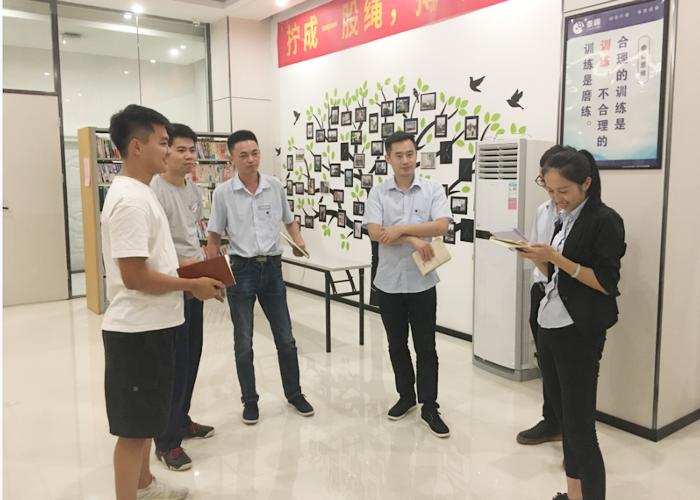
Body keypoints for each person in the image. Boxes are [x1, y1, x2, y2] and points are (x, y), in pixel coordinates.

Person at [101, 105, 224, 500]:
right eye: (164, 142)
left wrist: (200, 274)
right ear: (137, 146)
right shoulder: (131, 201)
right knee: (132, 431)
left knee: (144, 422)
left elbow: (158, 261)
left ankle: (145, 486)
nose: (170, 151)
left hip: (154, 324)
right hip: (136, 329)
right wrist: (191, 286)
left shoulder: (143, 192)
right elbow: (134, 275)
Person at [517, 146, 626, 500]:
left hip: (579, 331)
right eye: (550, 190)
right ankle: (573, 495)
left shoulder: (604, 220)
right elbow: (555, 277)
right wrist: (537, 258)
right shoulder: (562, 218)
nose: (556, 199)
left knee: (581, 431)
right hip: (550, 324)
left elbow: (606, 282)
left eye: (563, 190)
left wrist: (555, 258)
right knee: (565, 422)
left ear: (586, 184)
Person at [206, 130, 314, 425]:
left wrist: (298, 240)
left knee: (286, 339)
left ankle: (294, 394)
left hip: (273, 270)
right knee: (244, 341)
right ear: (231, 159)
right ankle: (250, 401)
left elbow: (290, 221)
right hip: (241, 270)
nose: (251, 159)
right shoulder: (223, 193)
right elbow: (213, 237)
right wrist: (214, 275)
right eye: (243, 155)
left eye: (254, 153)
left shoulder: (274, 185)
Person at [363, 131, 453, 438]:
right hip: (388, 283)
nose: (405, 160)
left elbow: (441, 225)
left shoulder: (432, 189)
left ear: (417, 156)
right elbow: (375, 232)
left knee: (426, 347)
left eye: (410, 154)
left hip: (422, 282)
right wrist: (415, 237)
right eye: (399, 155)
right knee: (396, 345)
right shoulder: (378, 193)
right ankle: (406, 396)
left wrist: (400, 229)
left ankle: (429, 405)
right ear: (388, 159)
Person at [150, 124, 216, 471]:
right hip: (172, 285)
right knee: (174, 364)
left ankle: (181, 419)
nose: (189, 156)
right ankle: (166, 442)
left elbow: (192, 235)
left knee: (192, 356)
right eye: (181, 149)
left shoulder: (192, 188)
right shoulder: (154, 191)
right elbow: (155, 250)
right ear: (166, 152)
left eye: (193, 149)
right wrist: (188, 267)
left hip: (194, 284)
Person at [516, 146, 565, 446]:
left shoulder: (584, 216)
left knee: (565, 367)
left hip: (566, 295)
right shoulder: (543, 210)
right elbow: (537, 249)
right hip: (541, 291)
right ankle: (552, 420)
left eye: (557, 185)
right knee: (545, 362)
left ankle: (571, 431)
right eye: (544, 183)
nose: (550, 190)